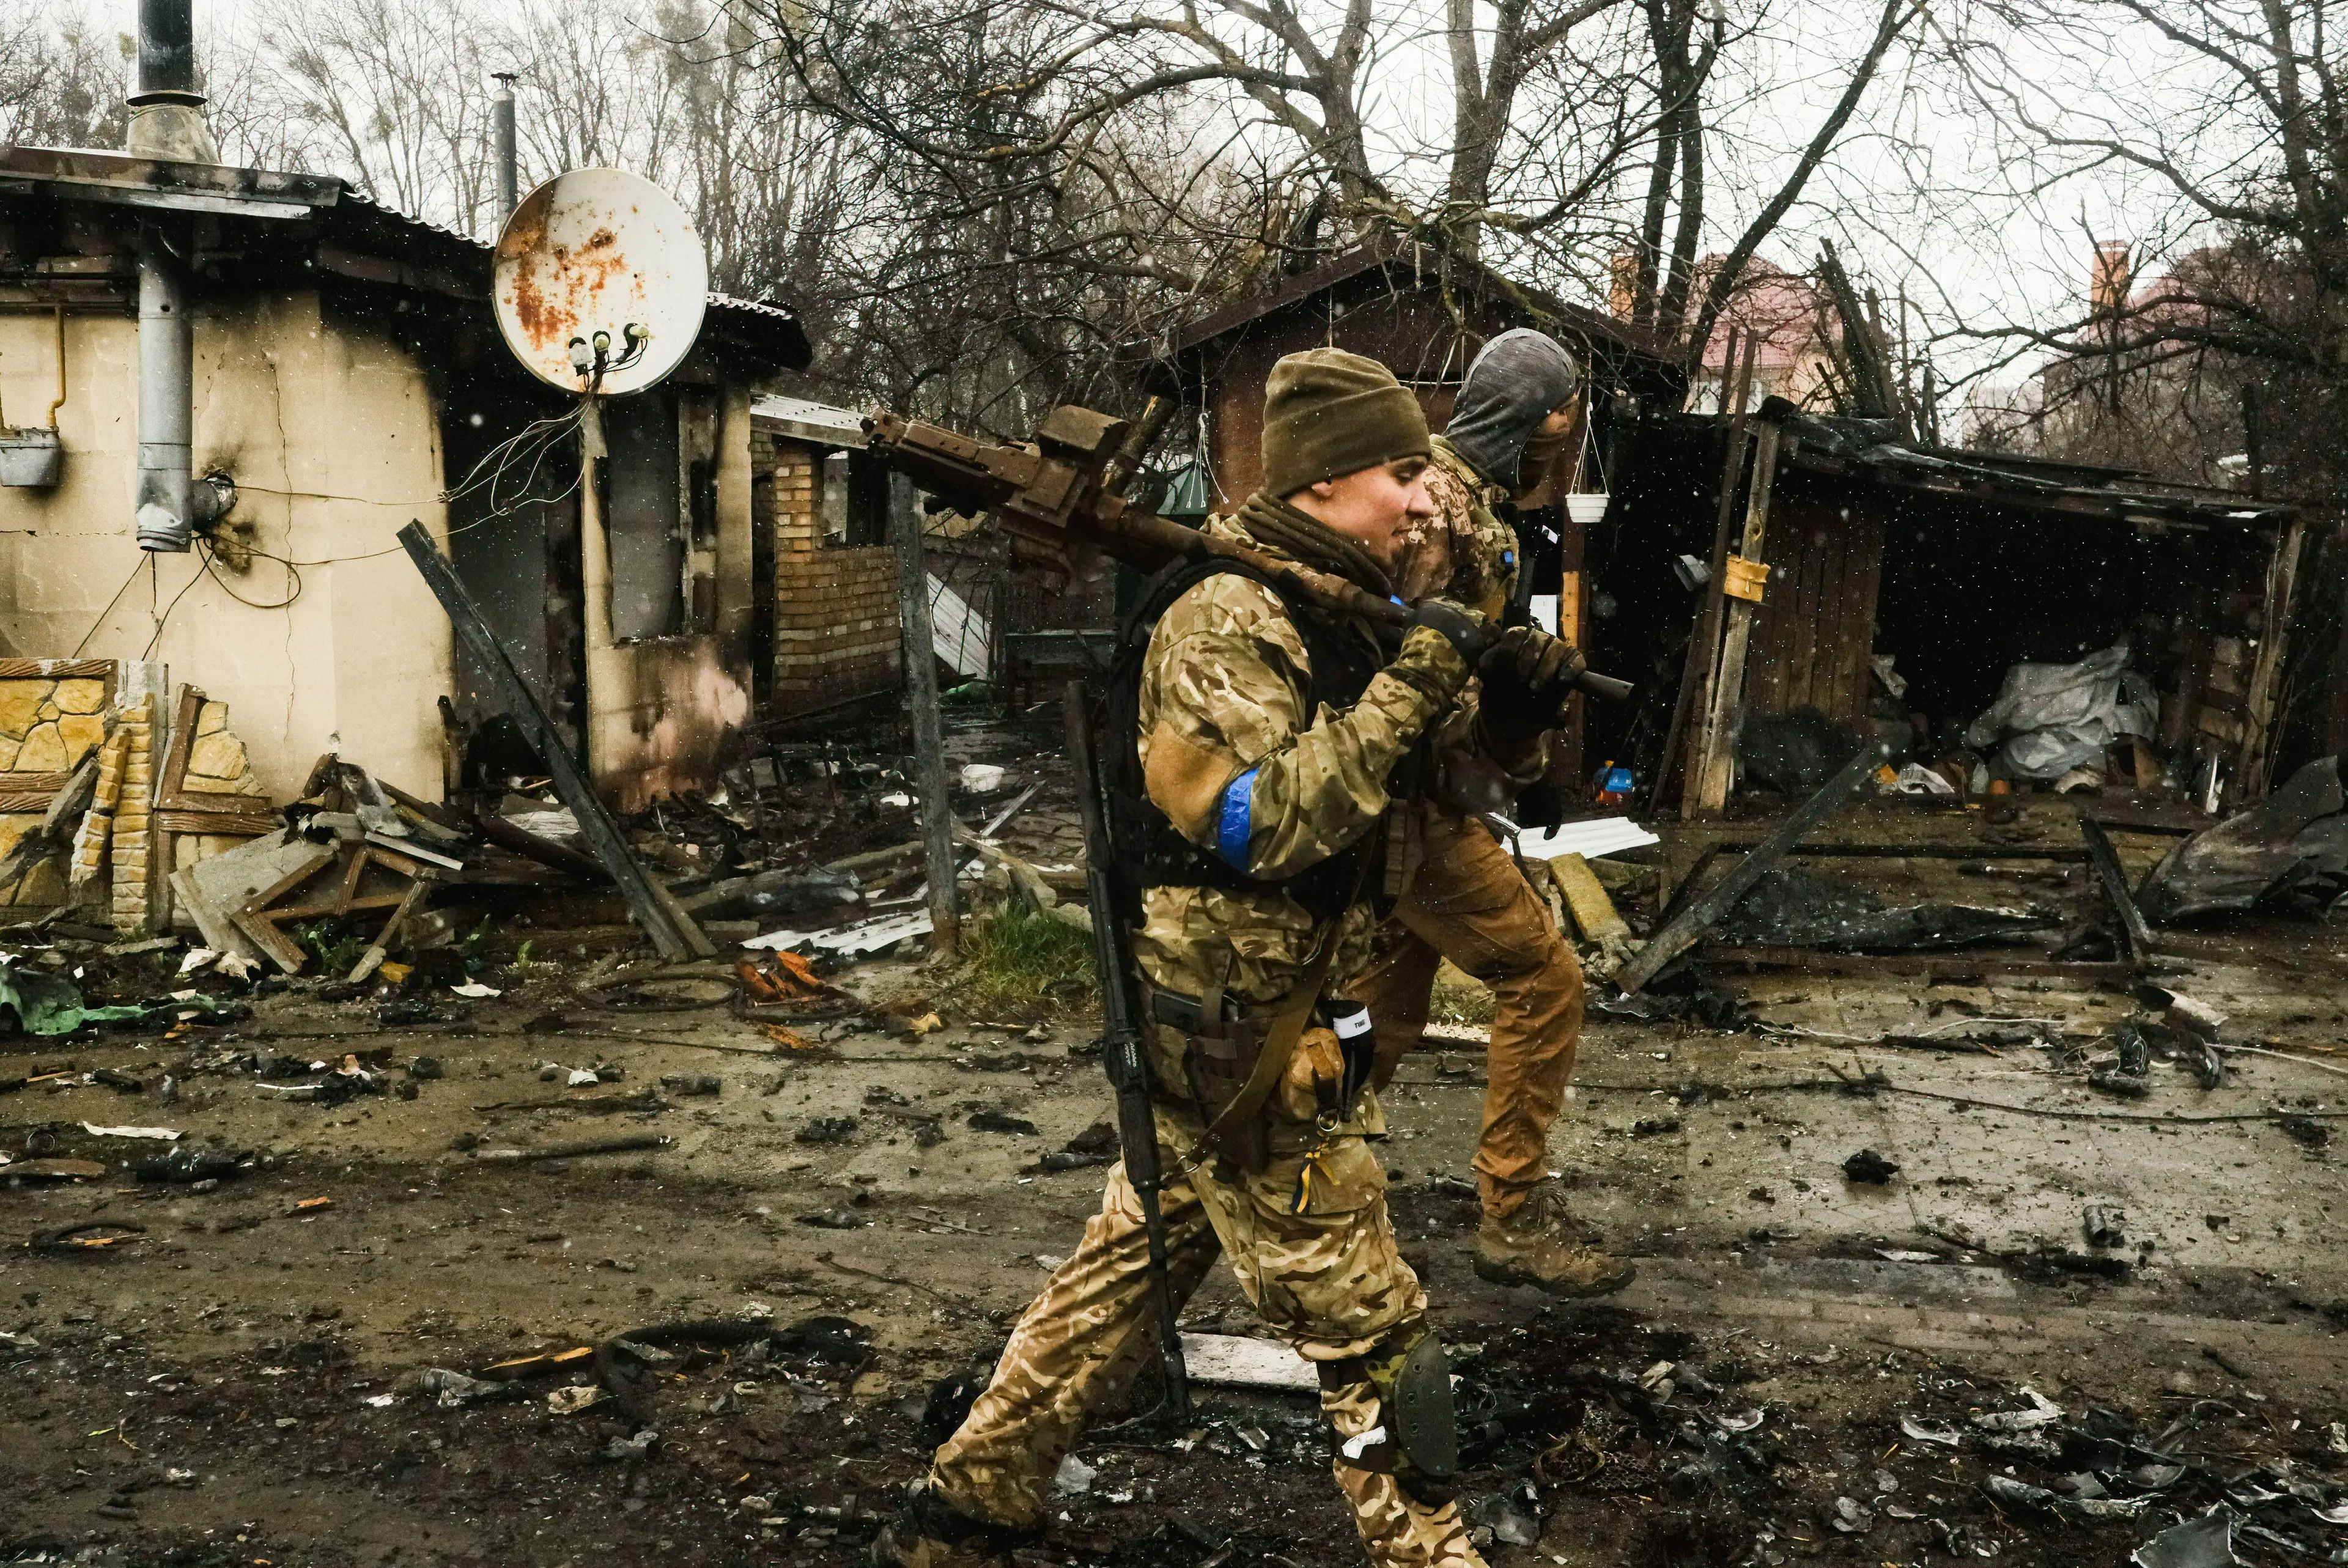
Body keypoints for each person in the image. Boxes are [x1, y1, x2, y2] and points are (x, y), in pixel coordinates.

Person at [873, 348, 1559, 1568]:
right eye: (1400, 470)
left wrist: (1512, 707)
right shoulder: (1223, 618)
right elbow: (1260, 822)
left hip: (1295, 1013)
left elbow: (1449, 776)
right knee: (1381, 1342)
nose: (1421, 495)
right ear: (1324, 481)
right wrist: (1417, 681)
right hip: (1239, 1034)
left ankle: (969, 1502)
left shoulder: (1354, 603)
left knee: (1136, 1260)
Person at [1345, 328, 1637, 1300]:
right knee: (1545, 978)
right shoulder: (1444, 511)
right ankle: (1513, 1216)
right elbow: (1396, 666)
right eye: (1561, 420)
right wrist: (1497, 727)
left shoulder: (1450, 496)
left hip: (1410, 794)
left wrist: (1518, 751)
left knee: (1380, 1014)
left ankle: (1310, 1190)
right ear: (1537, 420)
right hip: (1410, 803)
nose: (1564, 441)